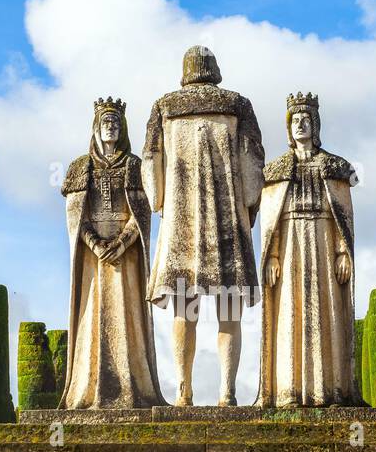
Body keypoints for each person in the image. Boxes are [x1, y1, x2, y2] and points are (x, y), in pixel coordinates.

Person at [143, 46, 263, 406]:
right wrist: (249, 207)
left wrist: (161, 203)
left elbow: (151, 162)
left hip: (183, 223)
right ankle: (227, 392)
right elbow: (252, 165)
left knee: (185, 310)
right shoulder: (238, 105)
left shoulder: (165, 107)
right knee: (229, 310)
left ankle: (184, 390)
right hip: (227, 224)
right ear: (215, 69)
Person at [61, 98, 165, 408]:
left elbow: (141, 213)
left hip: (126, 256)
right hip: (93, 261)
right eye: (106, 122)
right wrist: (94, 243)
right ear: (95, 128)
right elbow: (75, 217)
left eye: (116, 123)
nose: (111, 127)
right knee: (91, 320)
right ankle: (89, 388)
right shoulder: (81, 167)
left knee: (128, 317)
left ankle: (133, 388)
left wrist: (121, 243)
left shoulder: (134, 166)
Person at [256, 92, 357, 407]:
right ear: (288, 128)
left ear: (315, 125)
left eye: (306, 119)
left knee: (326, 313)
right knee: (290, 311)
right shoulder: (276, 170)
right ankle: (288, 389)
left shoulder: (334, 167)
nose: (301, 124)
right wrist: (271, 255)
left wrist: (342, 251)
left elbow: (342, 216)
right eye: (295, 120)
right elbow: (271, 220)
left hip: (323, 241)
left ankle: (330, 390)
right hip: (289, 244)